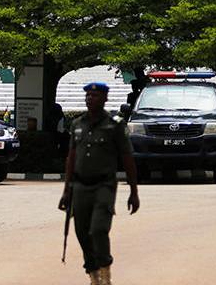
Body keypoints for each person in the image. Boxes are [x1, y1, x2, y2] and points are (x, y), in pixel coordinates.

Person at [58, 82, 140, 285]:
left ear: (105, 99)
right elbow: (71, 157)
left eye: (95, 95)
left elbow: (127, 158)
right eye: (88, 95)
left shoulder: (114, 125)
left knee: (98, 230)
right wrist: (66, 189)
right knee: (81, 233)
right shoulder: (77, 124)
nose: (90, 99)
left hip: (104, 185)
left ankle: (105, 272)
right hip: (80, 186)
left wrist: (133, 191)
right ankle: (93, 274)